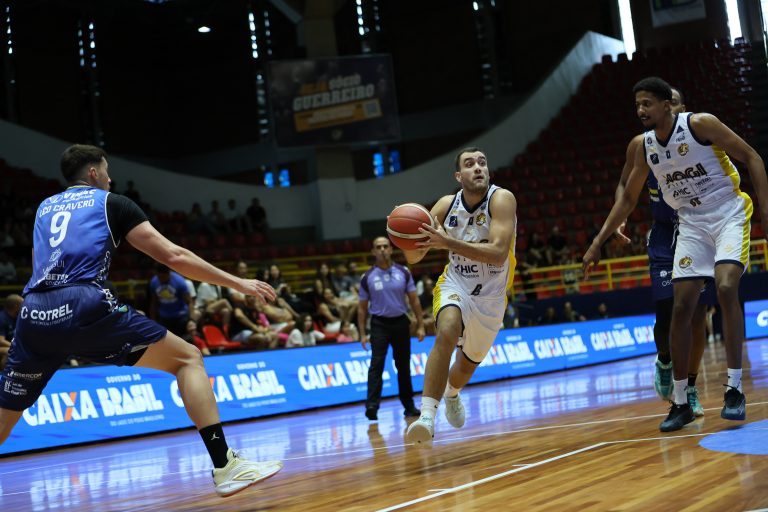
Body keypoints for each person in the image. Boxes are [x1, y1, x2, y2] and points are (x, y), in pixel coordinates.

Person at [0, 145, 282, 496]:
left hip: (34, 312)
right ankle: (226, 465)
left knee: (6, 412)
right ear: (93, 173)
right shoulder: (112, 203)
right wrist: (238, 283)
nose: (110, 179)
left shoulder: (44, 208)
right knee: (188, 359)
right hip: (84, 305)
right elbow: (173, 256)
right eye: (107, 171)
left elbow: (39, 265)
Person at [583, 77, 768, 432]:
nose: (641, 110)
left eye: (647, 104)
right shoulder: (645, 146)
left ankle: (734, 390)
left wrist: (765, 211)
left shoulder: (701, 124)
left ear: (668, 105)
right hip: (691, 221)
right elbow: (627, 197)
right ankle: (681, 401)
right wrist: (597, 242)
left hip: (727, 211)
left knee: (726, 287)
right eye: (637, 105)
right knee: (681, 307)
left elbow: (753, 157)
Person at [402, 147, 517, 444]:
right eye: (469, 164)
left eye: (482, 162)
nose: (478, 167)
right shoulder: (446, 204)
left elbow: (498, 253)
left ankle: (452, 393)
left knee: (465, 368)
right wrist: (405, 237)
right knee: (447, 329)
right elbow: (414, 258)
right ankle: (426, 417)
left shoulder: (502, 199)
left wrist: (447, 242)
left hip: (491, 298)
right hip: (456, 283)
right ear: (458, 176)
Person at [612, 86, 714, 417]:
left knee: (697, 316)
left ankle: (691, 388)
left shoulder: (697, 136)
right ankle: (665, 359)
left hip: (698, 229)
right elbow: (624, 184)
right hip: (664, 235)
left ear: (678, 107)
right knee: (667, 311)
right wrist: (621, 216)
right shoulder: (642, 145)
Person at [358, 236, 425, 421]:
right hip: (379, 324)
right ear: (373, 251)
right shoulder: (367, 277)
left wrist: (420, 325)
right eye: (378, 247)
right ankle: (372, 406)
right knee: (376, 364)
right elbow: (362, 309)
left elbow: (414, 300)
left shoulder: (403, 272)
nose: (382, 249)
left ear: (391, 249)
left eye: (385, 246)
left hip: (400, 322)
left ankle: (409, 405)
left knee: (403, 365)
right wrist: (362, 334)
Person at [148, 264, 193, 337]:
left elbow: (189, 302)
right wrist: (153, 320)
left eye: (163, 277)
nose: (161, 279)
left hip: (180, 317)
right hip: (164, 318)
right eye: (159, 277)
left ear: (169, 273)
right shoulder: (154, 282)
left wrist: (191, 319)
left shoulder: (179, 281)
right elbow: (153, 302)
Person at [0, 294, 22, 370]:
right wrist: (15, 346)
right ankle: (3, 374)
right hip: (2, 346)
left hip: (10, 344)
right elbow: (1, 341)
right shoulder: (2, 318)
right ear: (16, 306)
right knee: (9, 351)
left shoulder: (16, 317)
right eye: (22, 304)